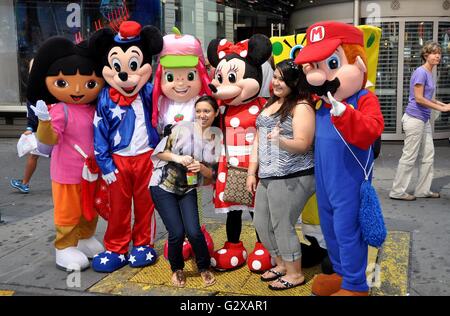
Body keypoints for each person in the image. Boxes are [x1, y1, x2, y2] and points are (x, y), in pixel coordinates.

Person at [27, 37, 105, 271]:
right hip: (67, 173)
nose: (78, 89)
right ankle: (64, 246)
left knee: (90, 210)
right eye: (64, 83)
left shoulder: (96, 107)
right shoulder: (60, 110)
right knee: (68, 211)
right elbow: (49, 139)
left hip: (91, 172)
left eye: (89, 83)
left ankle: (85, 238)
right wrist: (43, 121)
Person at [246, 59, 315, 290]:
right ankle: (282, 264)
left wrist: (280, 141)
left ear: (294, 83)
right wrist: (251, 172)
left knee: (282, 224)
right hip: (268, 175)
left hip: (291, 176)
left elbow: (303, 144)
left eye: (282, 79)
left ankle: (295, 273)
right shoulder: (271, 103)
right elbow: (258, 138)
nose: (276, 82)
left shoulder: (302, 106)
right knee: (261, 223)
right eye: (275, 76)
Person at [150, 95, 221, 287]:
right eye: (198, 111)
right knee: (177, 233)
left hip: (187, 188)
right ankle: (177, 268)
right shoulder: (182, 129)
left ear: (216, 113)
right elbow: (158, 153)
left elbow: (214, 174)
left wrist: (202, 168)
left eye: (207, 111)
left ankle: (204, 267)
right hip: (162, 185)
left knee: (194, 232)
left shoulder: (216, 139)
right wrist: (177, 158)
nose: (202, 115)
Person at [389, 41, 450, 201]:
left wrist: (444, 105)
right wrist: (441, 109)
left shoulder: (429, 73)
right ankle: (397, 191)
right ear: (426, 55)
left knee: (428, 155)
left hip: (423, 120)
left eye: (439, 53)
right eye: (434, 53)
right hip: (414, 119)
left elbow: (429, 97)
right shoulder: (421, 72)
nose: (437, 56)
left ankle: (422, 190)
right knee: (410, 156)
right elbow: (419, 98)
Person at [10, 59, 40, 194]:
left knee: (33, 155)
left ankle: (25, 183)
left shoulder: (34, 89)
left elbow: (33, 112)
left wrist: (30, 128)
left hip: (42, 129)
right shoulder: (50, 84)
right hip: (50, 127)